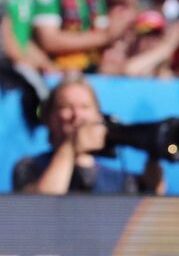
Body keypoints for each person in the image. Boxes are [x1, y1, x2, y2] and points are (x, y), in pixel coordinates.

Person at [12, 74, 165, 194]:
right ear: (50, 118)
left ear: (98, 116)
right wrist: (70, 148)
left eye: (84, 107)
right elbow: (40, 208)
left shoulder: (119, 180)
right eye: (66, 107)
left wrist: (154, 165)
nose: (77, 115)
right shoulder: (30, 167)